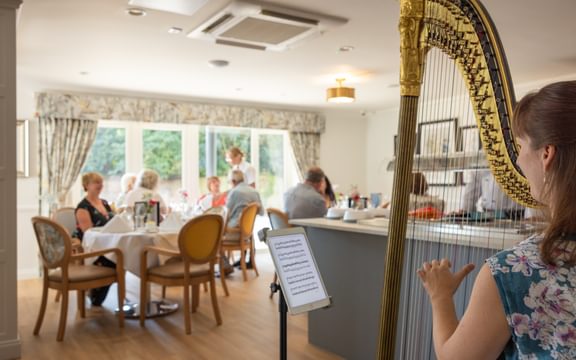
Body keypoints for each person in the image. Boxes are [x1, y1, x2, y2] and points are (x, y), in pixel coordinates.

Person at [417, 81, 576, 359]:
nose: (517, 157)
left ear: (547, 155)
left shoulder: (514, 271)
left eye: (520, 145)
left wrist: (440, 296)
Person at [72, 172, 116, 306]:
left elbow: (114, 223)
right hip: (91, 248)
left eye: (101, 182)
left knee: (122, 255)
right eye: (96, 182)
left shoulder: (104, 203)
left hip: (108, 243)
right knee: (114, 259)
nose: (100, 185)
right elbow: (88, 234)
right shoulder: (83, 207)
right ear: (86, 185)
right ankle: (95, 295)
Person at [225, 170, 264, 269]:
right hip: (248, 233)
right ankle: (247, 260)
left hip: (234, 233)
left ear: (233, 181)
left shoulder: (234, 192)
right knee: (246, 227)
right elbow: (261, 212)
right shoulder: (254, 191)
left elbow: (226, 214)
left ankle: (224, 266)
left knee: (215, 233)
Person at [460, 169, 525, 219]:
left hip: (518, 217)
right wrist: (465, 212)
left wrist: (531, 215)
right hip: (487, 217)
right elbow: (470, 195)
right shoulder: (482, 161)